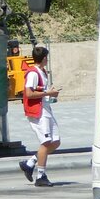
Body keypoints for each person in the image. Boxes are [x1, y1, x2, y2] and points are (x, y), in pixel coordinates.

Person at [17, 44, 59, 187]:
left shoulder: (43, 72)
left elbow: (40, 91)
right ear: (44, 58)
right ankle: (41, 176)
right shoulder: (33, 73)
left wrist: (49, 93)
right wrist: (48, 93)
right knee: (46, 143)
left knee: (56, 142)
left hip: (46, 110)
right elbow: (28, 93)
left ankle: (30, 163)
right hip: (38, 113)